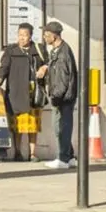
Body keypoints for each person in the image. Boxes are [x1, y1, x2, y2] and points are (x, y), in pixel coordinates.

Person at [0, 23, 48, 162]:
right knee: (17, 125)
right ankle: (17, 151)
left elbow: (49, 62)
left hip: (33, 92)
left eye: (25, 35)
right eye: (20, 35)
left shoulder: (38, 49)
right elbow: (4, 67)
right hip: (16, 92)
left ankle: (32, 153)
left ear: (30, 36)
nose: (22, 38)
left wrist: (44, 68)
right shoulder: (11, 50)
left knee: (33, 125)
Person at [39, 21, 77, 169]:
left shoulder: (62, 54)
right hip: (63, 96)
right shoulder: (57, 51)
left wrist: (55, 97)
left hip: (63, 97)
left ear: (54, 36)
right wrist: (46, 67)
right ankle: (70, 157)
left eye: (46, 34)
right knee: (62, 126)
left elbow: (62, 79)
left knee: (61, 127)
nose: (44, 37)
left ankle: (63, 159)